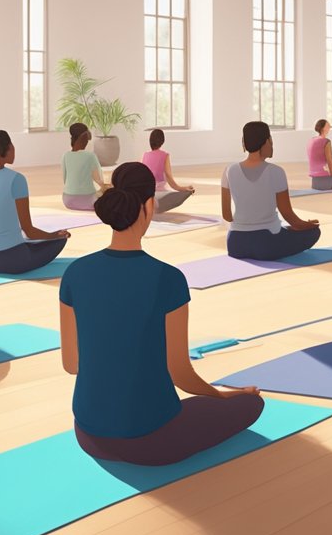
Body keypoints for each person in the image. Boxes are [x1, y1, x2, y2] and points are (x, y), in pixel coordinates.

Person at [59, 162, 264, 465]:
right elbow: (180, 373)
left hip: (87, 432)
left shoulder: (75, 273)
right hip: (149, 437)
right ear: (150, 205)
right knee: (251, 404)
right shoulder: (167, 278)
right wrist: (221, 393)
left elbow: (72, 364)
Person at [0, 130, 70, 274]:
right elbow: (29, 230)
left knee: (25, 241)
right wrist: (55, 235)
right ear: (7, 148)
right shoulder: (16, 179)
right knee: (59, 240)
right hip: (11, 259)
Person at [221, 121, 321, 260]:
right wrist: (308, 225)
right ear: (266, 142)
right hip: (267, 244)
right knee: (314, 232)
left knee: (287, 230)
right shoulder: (276, 172)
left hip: (235, 244)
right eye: (270, 139)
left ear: (244, 142)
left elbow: (226, 215)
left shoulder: (229, 170)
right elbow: (288, 215)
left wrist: (247, 222)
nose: (272, 144)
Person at [141, 128, 195, 213]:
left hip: (145, 193)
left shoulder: (145, 155)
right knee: (183, 193)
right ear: (162, 141)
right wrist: (182, 188)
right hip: (159, 194)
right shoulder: (165, 156)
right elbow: (169, 177)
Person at [62, 123, 107, 211]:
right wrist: (105, 187)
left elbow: (65, 179)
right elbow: (99, 180)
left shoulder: (65, 156)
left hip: (67, 200)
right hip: (89, 201)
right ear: (84, 138)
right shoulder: (90, 156)